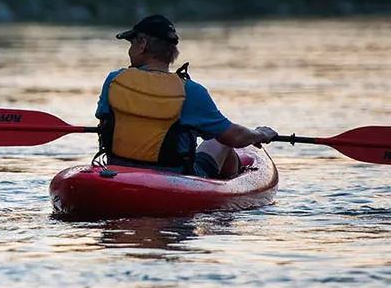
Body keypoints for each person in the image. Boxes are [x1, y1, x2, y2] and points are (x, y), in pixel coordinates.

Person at [95, 14, 277, 178]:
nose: (130, 51)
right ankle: (230, 187)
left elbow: (104, 123)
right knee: (220, 141)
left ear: (142, 45)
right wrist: (259, 134)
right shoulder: (190, 91)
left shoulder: (114, 81)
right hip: (175, 179)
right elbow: (235, 137)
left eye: (132, 43)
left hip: (118, 172)